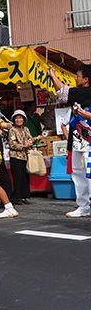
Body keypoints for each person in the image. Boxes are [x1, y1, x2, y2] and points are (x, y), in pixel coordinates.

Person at [49, 64, 91, 218]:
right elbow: (62, 95)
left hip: (88, 138)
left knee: (88, 172)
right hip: (78, 137)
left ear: (86, 80)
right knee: (78, 172)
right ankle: (84, 206)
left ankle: (86, 205)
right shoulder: (80, 93)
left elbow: (63, 92)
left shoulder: (86, 92)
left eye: (78, 76)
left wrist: (53, 76)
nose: (75, 78)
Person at [8, 110, 39, 205]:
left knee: (25, 177)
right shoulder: (12, 130)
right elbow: (12, 144)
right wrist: (23, 146)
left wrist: (35, 139)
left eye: (20, 117)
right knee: (17, 177)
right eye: (17, 118)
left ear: (24, 119)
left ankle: (24, 196)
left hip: (25, 156)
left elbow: (29, 139)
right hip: (16, 157)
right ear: (14, 119)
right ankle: (16, 197)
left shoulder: (26, 129)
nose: (18, 120)